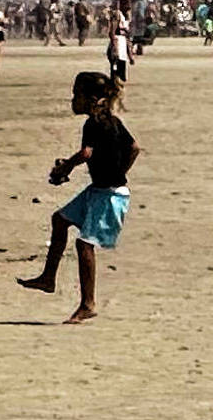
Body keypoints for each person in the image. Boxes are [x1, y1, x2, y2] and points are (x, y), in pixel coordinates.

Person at [19, 71, 140, 324]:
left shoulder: (94, 123)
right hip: (99, 190)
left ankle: (88, 303)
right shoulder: (113, 121)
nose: (73, 99)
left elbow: (86, 153)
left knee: (84, 245)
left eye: (77, 95)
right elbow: (134, 148)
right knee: (60, 220)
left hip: (109, 195)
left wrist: (66, 168)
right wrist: (120, 170)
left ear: (91, 98)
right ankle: (48, 278)